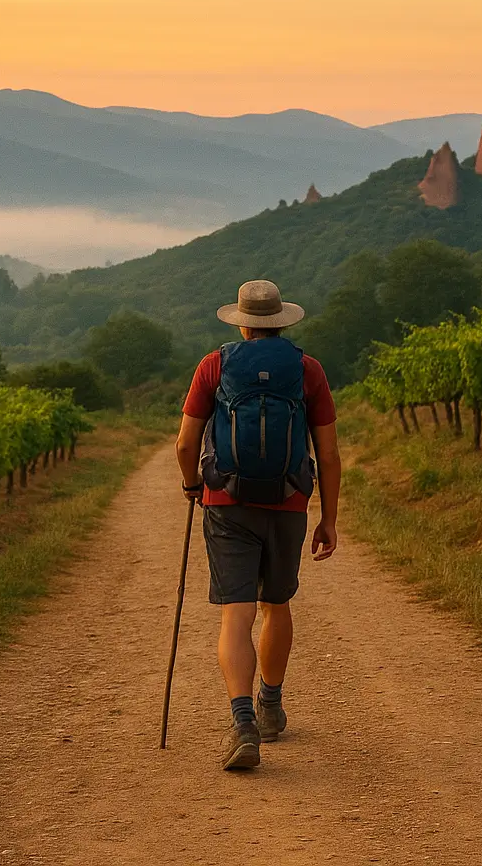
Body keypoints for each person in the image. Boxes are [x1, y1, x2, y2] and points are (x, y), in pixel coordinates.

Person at [174, 279, 341, 770]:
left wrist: (192, 485)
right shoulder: (308, 370)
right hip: (288, 502)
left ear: (242, 322)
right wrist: (327, 518)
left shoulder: (215, 365)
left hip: (227, 501)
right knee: (277, 604)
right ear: (284, 321)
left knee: (236, 614)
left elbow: (186, 444)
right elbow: (328, 455)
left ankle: (242, 720)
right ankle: (270, 704)